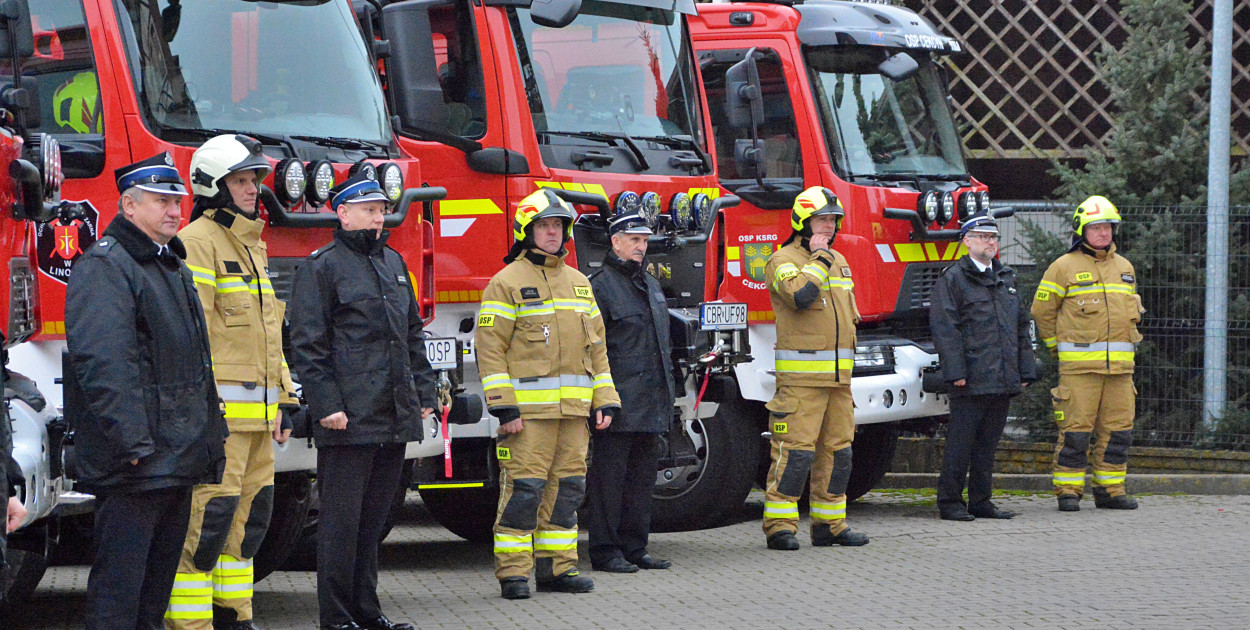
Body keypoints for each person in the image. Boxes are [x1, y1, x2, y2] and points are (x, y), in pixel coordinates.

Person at [66, 153, 228, 629]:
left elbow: (195, 365)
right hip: (136, 463)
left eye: (177, 201)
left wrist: (207, 436)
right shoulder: (107, 266)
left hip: (173, 458)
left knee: (153, 597)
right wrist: (133, 444)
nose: (175, 211)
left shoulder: (170, 265)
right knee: (120, 593)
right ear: (128, 206)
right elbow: (105, 365)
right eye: (161, 202)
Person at [289, 174, 437, 630]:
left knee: (374, 523)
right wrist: (326, 404)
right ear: (344, 212)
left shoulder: (393, 263)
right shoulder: (322, 267)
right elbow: (307, 345)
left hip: (392, 414)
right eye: (370, 209)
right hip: (347, 418)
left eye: (381, 209)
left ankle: (367, 613)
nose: (379, 216)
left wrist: (426, 393)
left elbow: (412, 336)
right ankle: (336, 616)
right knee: (341, 524)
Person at [166, 135, 298, 630]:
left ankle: (235, 617)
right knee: (207, 525)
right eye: (241, 180)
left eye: (254, 180)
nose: (252, 189)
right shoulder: (197, 242)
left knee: (250, 524)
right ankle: (191, 625)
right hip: (219, 425)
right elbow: (190, 337)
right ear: (213, 185)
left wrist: (285, 399)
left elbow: (269, 334)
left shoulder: (252, 245)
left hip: (260, 424)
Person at [475, 189, 620, 600]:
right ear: (527, 231)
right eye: (544, 225)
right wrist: (504, 408)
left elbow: (598, 350)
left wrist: (604, 399)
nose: (552, 232)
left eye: (558, 225)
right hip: (528, 416)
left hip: (574, 414)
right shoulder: (505, 283)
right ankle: (514, 574)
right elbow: (490, 349)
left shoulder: (578, 284)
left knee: (568, 490)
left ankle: (557, 568)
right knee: (524, 491)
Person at [761, 186, 868, 550]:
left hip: (839, 382)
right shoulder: (783, 260)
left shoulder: (839, 260)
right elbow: (802, 297)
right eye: (823, 220)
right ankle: (779, 526)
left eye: (833, 221)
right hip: (802, 381)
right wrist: (820, 259)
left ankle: (829, 525)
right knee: (794, 452)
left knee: (839, 453)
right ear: (802, 222)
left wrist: (825, 257)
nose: (830, 228)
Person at [1032, 195, 1143, 512]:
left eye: (1108, 226)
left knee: (1118, 433)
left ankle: (1110, 490)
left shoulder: (1125, 268)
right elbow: (1042, 312)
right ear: (1082, 230)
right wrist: (1055, 347)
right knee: (1076, 434)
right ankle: (1068, 491)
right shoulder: (1063, 267)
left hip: (1120, 373)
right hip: (1079, 373)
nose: (1103, 233)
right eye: (1096, 227)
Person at [929, 213, 1036, 521]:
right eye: (984, 237)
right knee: (960, 445)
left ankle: (981, 501)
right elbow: (946, 329)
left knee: (987, 445)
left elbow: (1020, 326)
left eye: (994, 237)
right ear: (967, 241)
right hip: (971, 378)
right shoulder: (953, 279)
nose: (991, 242)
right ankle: (949, 502)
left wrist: (1025, 369)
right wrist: (957, 372)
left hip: (1001, 376)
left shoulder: (1005, 278)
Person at [586, 213, 674, 573]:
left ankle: (635, 547)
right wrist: (599, 399)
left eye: (644, 240)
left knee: (640, 480)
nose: (641, 247)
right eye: (634, 239)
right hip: (617, 401)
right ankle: (606, 551)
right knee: (609, 480)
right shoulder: (600, 286)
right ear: (615, 241)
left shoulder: (649, 283)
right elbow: (591, 349)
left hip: (650, 398)